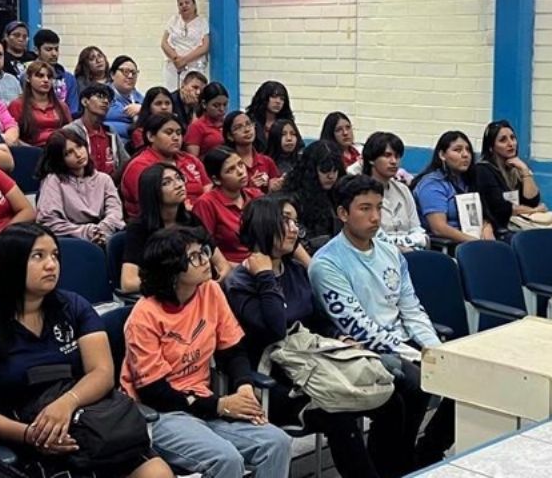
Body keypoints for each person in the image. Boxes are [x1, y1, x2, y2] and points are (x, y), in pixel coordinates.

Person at [0, 224, 171, 478]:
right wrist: (30, 434)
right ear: (10, 263)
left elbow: (102, 372)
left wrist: (66, 403)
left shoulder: (74, 306)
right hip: (25, 435)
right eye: (38, 256)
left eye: (55, 255)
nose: (51, 264)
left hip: (91, 421)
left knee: (158, 473)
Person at [225, 195, 410, 478]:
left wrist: (338, 336)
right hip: (276, 379)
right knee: (341, 414)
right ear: (263, 224)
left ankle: (386, 471)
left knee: (391, 399)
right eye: (285, 220)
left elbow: (318, 319)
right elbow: (275, 329)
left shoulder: (295, 270)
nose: (294, 229)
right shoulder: (240, 283)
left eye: (295, 222)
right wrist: (265, 276)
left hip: (315, 362)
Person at [122, 226, 292, 478]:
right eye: (194, 257)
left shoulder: (210, 291)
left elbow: (233, 350)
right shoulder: (144, 316)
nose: (205, 260)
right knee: (225, 459)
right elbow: (154, 392)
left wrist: (244, 386)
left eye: (204, 251)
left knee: (277, 443)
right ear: (171, 270)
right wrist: (221, 405)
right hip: (161, 414)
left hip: (205, 401)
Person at [309, 175, 454, 470]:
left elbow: (410, 307)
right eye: (364, 209)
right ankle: (395, 464)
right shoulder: (327, 264)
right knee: (416, 383)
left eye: (378, 207)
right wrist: (415, 355)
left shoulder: (388, 250)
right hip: (364, 349)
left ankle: (426, 453)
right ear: (343, 214)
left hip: (400, 341)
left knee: (461, 372)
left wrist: (434, 348)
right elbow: (358, 326)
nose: (375, 217)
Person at [119, 164, 227, 294]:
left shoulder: (191, 219)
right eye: (167, 183)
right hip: (164, 297)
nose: (179, 185)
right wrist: (177, 282)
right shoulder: (139, 229)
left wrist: (213, 285)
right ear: (152, 191)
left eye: (179, 178)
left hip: (202, 293)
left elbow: (223, 265)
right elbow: (128, 282)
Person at [35, 130, 123, 244]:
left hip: (105, 235)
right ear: (60, 159)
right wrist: (86, 232)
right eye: (69, 153)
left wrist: (101, 230)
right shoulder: (53, 180)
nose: (78, 154)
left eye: (79, 146)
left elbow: (115, 212)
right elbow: (49, 221)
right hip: (72, 240)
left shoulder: (104, 179)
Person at [475, 119, 552, 235]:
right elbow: (501, 208)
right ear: (491, 148)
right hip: (499, 228)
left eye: (512, 138)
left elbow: (532, 201)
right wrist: (534, 211)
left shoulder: (516, 167)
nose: (510, 143)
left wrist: (525, 171)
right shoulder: (483, 170)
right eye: (503, 140)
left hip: (517, 224)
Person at [119, 114, 208, 219]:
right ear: (151, 136)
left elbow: (208, 187)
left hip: (198, 215)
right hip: (158, 224)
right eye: (169, 133)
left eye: (179, 133)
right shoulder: (139, 166)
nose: (176, 137)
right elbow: (151, 205)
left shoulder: (190, 159)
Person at [413, 131, 492, 245]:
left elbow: (481, 214)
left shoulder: (467, 180)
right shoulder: (432, 185)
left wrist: (487, 226)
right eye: (458, 150)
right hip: (452, 245)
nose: (465, 155)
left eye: (468, 150)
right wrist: (476, 243)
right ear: (442, 155)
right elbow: (439, 228)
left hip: (474, 239)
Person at [192, 147, 262, 263]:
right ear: (217, 180)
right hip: (231, 268)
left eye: (240, 164)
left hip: (263, 261)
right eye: (230, 170)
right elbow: (204, 247)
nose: (240, 171)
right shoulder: (206, 203)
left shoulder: (256, 195)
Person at [361, 132, 428, 251]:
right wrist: (406, 245)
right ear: (371, 159)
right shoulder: (360, 191)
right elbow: (374, 238)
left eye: (397, 156)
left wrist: (411, 244)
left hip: (411, 253)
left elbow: (418, 232)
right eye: (387, 155)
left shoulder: (403, 190)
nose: (394, 161)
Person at [284, 140, 344, 247]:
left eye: (335, 170)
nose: (331, 176)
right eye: (325, 170)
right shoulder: (294, 199)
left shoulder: (339, 194)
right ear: (311, 169)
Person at [64, 83, 128, 178]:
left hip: (111, 186)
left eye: (109, 99)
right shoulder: (71, 131)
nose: (106, 101)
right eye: (100, 96)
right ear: (85, 102)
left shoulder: (110, 131)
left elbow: (125, 162)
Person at [11, 61, 71, 148]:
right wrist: (33, 151)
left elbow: (70, 132)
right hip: (29, 151)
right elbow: (12, 136)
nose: (46, 80)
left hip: (59, 151)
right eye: (40, 76)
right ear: (28, 78)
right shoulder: (17, 105)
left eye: (49, 77)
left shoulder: (62, 106)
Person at [160, 0, 210, 91]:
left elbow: (205, 46)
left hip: (194, 66)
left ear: (194, 5)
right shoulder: (173, 20)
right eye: (180, 4)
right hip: (174, 67)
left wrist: (185, 60)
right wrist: (176, 59)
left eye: (187, 3)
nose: (184, 6)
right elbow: (164, 43)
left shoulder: (202, 22)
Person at [223, 110, 281, 192]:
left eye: (249, 124)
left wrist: (274, 185)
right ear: (229, 136)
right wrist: (250, 187)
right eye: (238, 127)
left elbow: (276, 189)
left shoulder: (267, 161)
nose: (247, 130)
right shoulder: (227, 163)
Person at [32, 28, 79, 115]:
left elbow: (73, 111)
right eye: (49, 49)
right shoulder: (28, 76)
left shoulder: (69, 79)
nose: (54, 54)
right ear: (36, 50)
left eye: (56, 49)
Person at [245, 81, 294, 153]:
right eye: (274, 97)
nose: (278, 101)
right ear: (264, 97)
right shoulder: (249, 121)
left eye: (282, 98)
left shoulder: (287, 122)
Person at [183, 82, 227, 157]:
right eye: (216, 105)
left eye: (225, 104)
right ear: (204, 104)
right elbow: (193, 160)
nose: (222, 109)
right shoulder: (196, 127)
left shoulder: (228, 123)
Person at [106, 55, 144, 141]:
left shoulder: (141, 99)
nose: (130, 76)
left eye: (134, 73)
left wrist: (143, 109)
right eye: (125, 71)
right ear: (112, 75)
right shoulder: (103, 95)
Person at [129, 86, 176, 154]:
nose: (164, 107)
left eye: (167, 103)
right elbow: (144, 155)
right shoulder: (139, 132)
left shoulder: (178, 128)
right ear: (149, 107)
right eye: (158, 103)